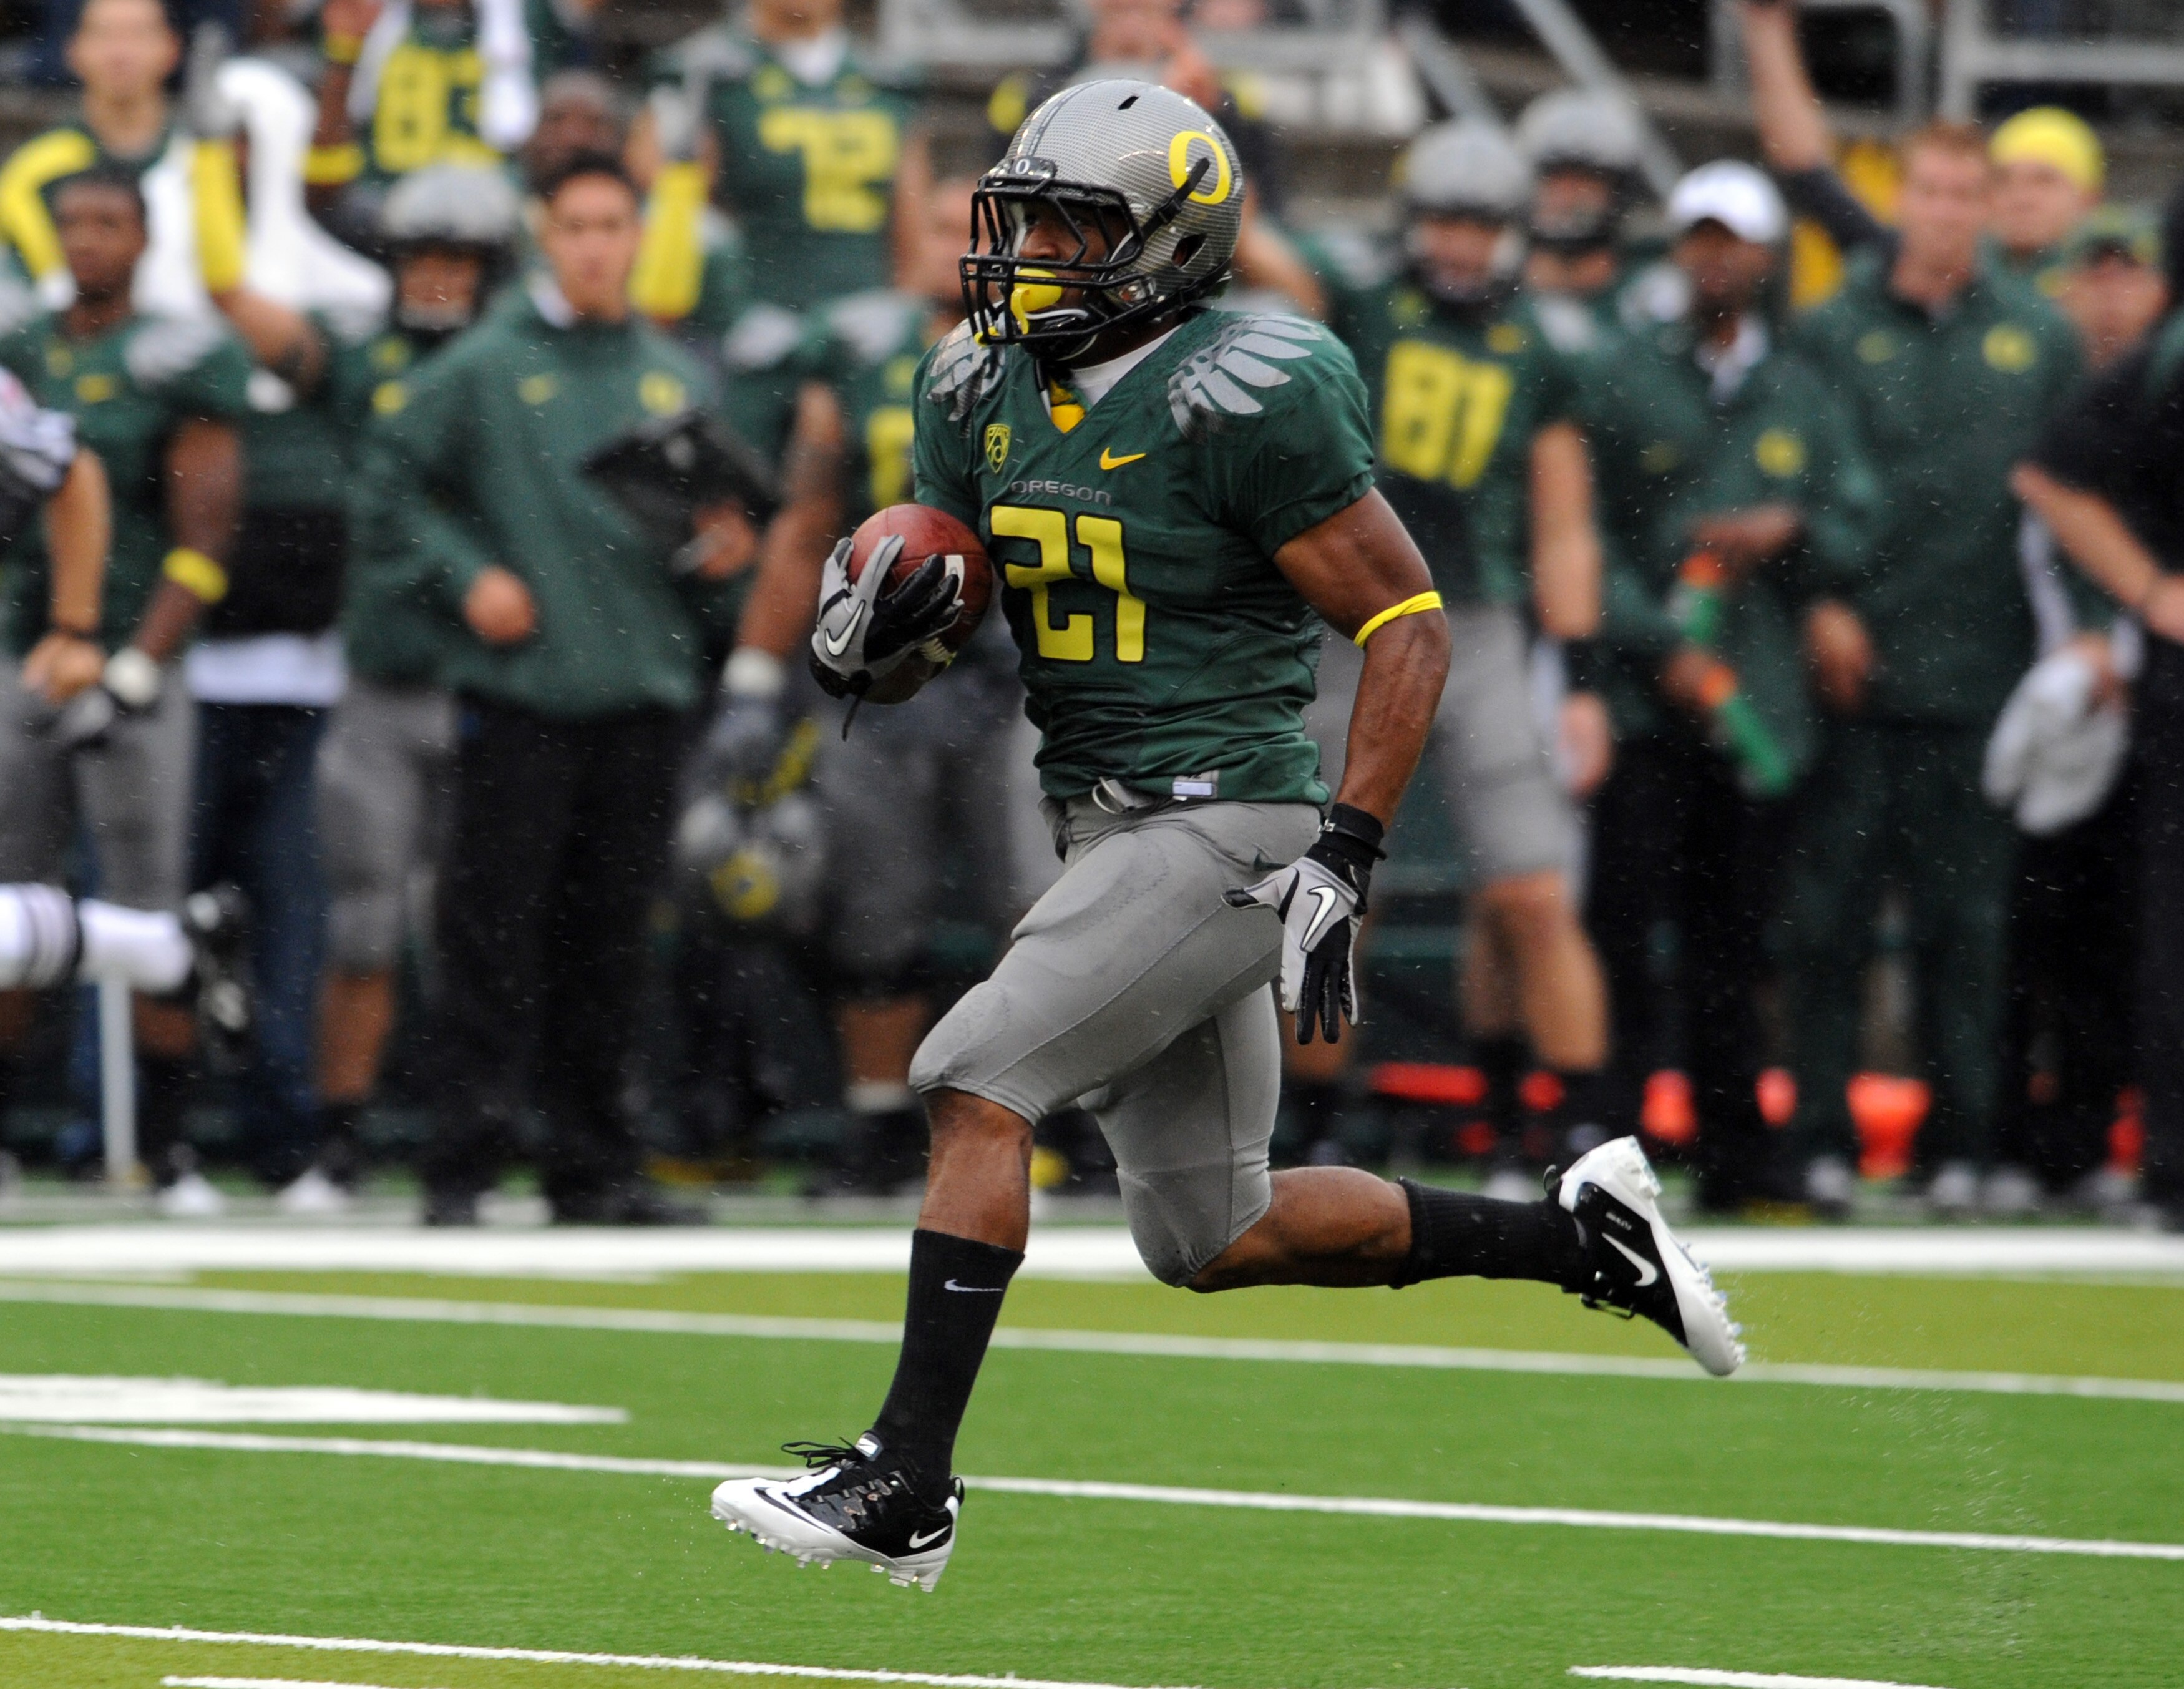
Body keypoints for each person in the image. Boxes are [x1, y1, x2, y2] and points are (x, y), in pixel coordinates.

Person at [708, 80, 1741, 1594]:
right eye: (1028, 220)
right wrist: (879, 634)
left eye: (1075, 227)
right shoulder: (969, 385)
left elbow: (1406, 621)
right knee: (1216, 1231)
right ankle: (1588, 1240)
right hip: (1103, 816)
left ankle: (907, 1481)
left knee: (971, 1076)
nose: (1034, 254)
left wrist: (1350, 844)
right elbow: (948, 600)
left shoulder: (1245, 384)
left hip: (1228, 821)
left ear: (1172, 243)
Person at [355, 152, 744, 1226]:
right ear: (544, 236)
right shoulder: (481, 366)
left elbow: (714, 558)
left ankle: (594, 1162)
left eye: (613, 225)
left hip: (641, 688)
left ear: (635, 238)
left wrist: (721, 554)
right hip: (524, 692)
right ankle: (462, 1160)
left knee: (613, 942)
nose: (594, 246)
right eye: (575, 226)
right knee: (492, 934)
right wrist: (465, 573)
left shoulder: (671, 375)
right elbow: (388, 481)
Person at [695, 177, 1023, 1192]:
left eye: (975, 234)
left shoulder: (1062, 355)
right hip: (888, 672)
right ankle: (881, 1127)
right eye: (936, 228)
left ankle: (1060, 1124)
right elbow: (807, 522)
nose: (951, 249)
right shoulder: (859, 353)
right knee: (874, 914)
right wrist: (754, 674)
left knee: (1046, 904)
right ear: (905, 240)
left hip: (1027, 672)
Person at [1778, 122, 2082, 1215]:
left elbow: (2067, 496)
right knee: (1828, 924)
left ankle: (1966, 1146)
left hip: (1983, 675)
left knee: (1973, 932)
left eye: (1969, 193)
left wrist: (2083, 632)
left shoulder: (2040, 336)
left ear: (1989, 207)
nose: (1948, 210)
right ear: (1901, 196)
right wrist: (1817, 599)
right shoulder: (1826, 329)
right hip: (1852, 676)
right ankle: (1815, 1142)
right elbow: (1791, 471)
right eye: (1933, 190)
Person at [1313, 120, 1611, 1186]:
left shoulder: (1542, 345)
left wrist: (1575, 681)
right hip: (1353, 615)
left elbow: (1564, 523)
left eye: (1480, 223)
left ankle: (1573, 1125)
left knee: (1531, 887)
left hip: (1479, 623)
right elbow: (1250, 256)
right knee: (1333, 884)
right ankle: (1315, 1117)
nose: (1458, 243)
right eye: (1443, 217)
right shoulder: (1359, 305)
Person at [1581, 162, 1880, 1213]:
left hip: (1759, 704)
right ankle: (1612, 1147)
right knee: (1624, 926)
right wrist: (1659, 639)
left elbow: (1856, 520)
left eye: (1735, 240)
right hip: (1644, 697)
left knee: (1738, 938)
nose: (1716, 256)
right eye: (1699, 237)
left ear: (1764, 257)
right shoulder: (1623, 369)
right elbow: (1584, 533)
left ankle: (1735, 1149)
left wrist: (1787, 529)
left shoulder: (1802, 384)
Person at [0, 167, 251, 1205]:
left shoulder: (178, 353)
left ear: (148, 237)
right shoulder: (27, 343)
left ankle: (169, 1136)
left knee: (127, 879)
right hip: (21, 653)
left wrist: (116, 647)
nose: (89, 241)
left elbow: (101, 487)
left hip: (115, 655)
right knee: (14, 885)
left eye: (110, 222)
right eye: (73, 224)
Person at [186, 117, 386, 1209]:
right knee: (172, 909)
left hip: (316, 678)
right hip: (195, 674)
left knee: (299, 917)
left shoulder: (356, 315)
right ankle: (153, 1132)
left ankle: (290, 1133)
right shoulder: (177, 298)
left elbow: (299, 346)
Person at [315, 164, 522, 1205]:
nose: (436, 279)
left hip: (494, 687)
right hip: (389, 676)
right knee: (363, 921)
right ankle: (342, 1136)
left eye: (458, 261)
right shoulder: (365, 365)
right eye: (421, 258)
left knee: (473, 931)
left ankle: (468, 1127)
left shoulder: (515, 369)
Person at [2011, 186, 2184, 1230]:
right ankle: (2174, 1161)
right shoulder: (2169, 360)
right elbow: (2054, 476)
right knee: (2170, 930)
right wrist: (2155, 592)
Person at [1737, 0, 2102, 290]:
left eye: (2045, 180)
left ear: (2089, 198)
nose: (2022, 197)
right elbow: (1810, 175)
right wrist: (1766, 25)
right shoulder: (1909, 272)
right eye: (2007, 179)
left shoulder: (2105, 285)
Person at [644, 0, 925, 313]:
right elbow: (669, 220)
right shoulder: (704, 73)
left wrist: (904, 313)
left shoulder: (888, 82)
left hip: (862, 320)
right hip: (743, 319)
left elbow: (914, 231)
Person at [0, 0, 182, 310]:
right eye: (104, 34)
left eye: (138, 33)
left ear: (172, 48)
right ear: (73, 50)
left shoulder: (205, 157)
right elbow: (31, 295)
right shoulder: (34, 169)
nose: (120, 52)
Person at [306, 0, 539, 236]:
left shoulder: (525, 20)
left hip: (492, 211)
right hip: (385, 210)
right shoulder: (371, 19)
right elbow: (324, 173)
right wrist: (345, 52)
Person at [1513, 87, 1663, 337]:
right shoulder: (1494, 283)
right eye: (1556, 179)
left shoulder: (1648, 290)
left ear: (1619, 191)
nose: (1568, 197)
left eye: (1586, 181)